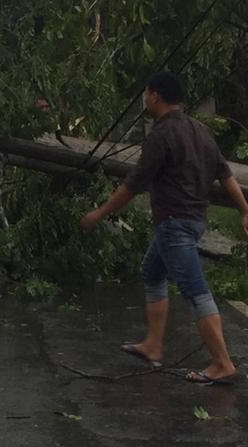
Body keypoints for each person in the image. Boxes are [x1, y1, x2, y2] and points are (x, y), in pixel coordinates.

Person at [80, 71, 248, 385]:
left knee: (196, 292)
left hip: (175, 225)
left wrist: (98, 214)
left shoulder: (161, 135)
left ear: (155, 95)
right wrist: (244, 210)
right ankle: (153, 345)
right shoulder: (201, 131)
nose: (145, 99)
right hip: (193, 222)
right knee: (152, 272)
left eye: (146, 93)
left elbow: (133, 185)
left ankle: (222, 363)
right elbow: (226, 175)